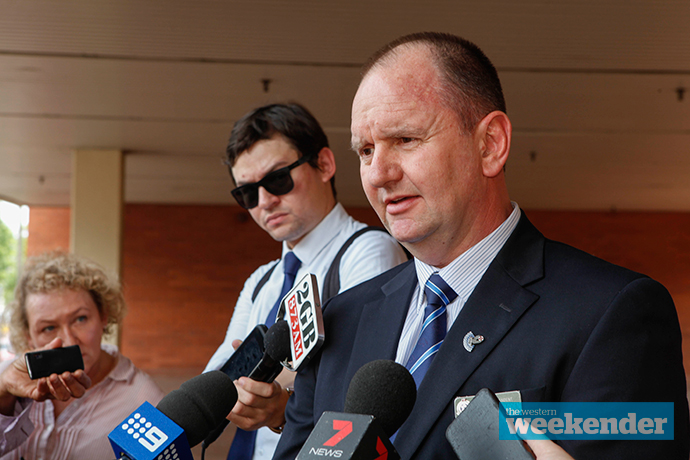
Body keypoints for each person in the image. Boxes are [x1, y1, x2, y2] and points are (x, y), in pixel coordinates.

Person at [273, 32, 690, 460]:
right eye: (365, 150)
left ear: (490, 144)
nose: (378, 174)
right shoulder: (343, 318)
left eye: (405, 139)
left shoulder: (613, 313)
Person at [204, 103, 407, 460]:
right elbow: (217, 376)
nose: (265, 202)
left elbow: (354, 380)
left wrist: (281, 403)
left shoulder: (368, 251)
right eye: (247, 194)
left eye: (278, 179)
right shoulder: (260, 281)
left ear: (325, 165)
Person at [0, 252, 164, 460]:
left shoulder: (146, 402)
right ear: (28, 337)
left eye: (80, 319)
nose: (68, 341)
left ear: (103, 316)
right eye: (48, 327)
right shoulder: (6, 378)